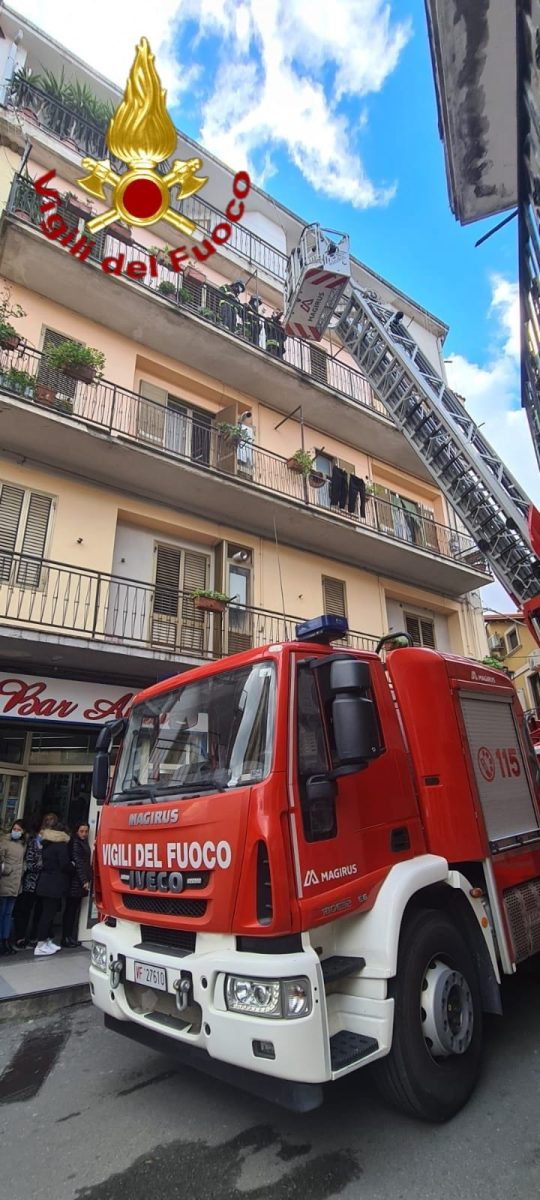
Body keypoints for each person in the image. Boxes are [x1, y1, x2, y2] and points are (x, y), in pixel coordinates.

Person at [34, 821, 72, 957]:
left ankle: (46, 941)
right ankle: (40, 944)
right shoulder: (61, 846)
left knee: (46, 914)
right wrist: (72, 866)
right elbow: (64, 864)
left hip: (45, 883)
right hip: (54, 885)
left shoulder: (47, 844)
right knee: (48, 915)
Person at [62, 822, 91, 948]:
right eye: (82, 831)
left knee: (73, 910)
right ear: (77, 831)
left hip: (78, 882)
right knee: (71, 910)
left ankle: (70, 936)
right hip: (75, 882)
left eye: (86, 831)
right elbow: (79, 863)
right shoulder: (76, 843)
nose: (84, 834)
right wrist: (84, 880)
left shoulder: (83, 842)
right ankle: (66, 937)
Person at [0, 819, 26, 955]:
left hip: (15, 883)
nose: (16, 831)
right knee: (2, 913)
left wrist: (22, 869)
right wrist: (7, 869)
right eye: (14, 829)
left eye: (19, 830)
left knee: (8, 914)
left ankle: (5, 941)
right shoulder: (5, 842)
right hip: (5, 881)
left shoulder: (22, 844)